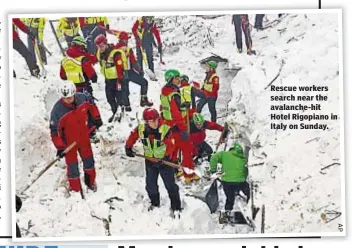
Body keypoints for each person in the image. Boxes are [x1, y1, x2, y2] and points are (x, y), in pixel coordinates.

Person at [125, 108, 182, 214]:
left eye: (156, 120)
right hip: (150, 161)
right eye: (152, 121)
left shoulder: (164, 129)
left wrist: (165, 157)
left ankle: (176, 207)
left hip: (164, 162)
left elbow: (171, 145)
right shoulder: (141, 128)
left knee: (170, 185)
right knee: (151, 184)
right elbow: (133, 135)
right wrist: (128, 146)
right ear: (146, 122)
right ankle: (155, 202)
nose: (155, 123)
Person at [50, 82, 103, 192]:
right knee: (72, 166)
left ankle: (90, 182)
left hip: (83, 136)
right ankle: (75, 189)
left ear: (74, 94)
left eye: (70, 97)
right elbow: (55, 132)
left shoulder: (83, 98)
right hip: (69, 143)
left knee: (89, 161)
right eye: (65, 98)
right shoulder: (57, 111)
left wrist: (96, 118)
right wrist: (60, 147)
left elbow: (92, 105)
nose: (68, 100)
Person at [160, 69, 198, 183]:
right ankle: (189, 174)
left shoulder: (165, 92)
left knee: (174, 149)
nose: (179, 80)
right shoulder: (174, 94)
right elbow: (176, 114)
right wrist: (183, 129)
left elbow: (168, 109)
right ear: (171, 79)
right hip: (178, 126)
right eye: (176, 78)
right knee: (187, 150)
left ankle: (175, 170)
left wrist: (182, 106)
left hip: (170, 125)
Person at [95, 34, 130, 121]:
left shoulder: (115, 53)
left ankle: (121, 114)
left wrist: (120, 80)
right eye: (98, 46)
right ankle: (115, 112)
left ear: (106, 44)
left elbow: (119, 67)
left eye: (102, 46)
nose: (100, 48)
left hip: (117, 79)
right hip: (108, 80)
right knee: (109, 98)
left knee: (119, 98)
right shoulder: (100, 53)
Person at [209, 142, 250, 215]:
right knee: (247, 190)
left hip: (227, 182)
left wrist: (213, 170)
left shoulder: (224, 154)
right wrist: (242, 178)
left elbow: (213, 158)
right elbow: (245, 172)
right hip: (240, 181)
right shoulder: (243, 159)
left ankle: (227, 213)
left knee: (230, 198)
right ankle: (250, 205)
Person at [114, 31, 153, 108]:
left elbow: (132, 61)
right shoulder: (122, 50)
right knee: (142, 83)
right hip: (125, 72)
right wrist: (139, 70)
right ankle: (141, 101)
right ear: (123, 40)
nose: (127, 41)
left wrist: (139, 70)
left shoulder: (117, 49)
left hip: (124, 73)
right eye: (126, 39)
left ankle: (128, 106)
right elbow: (133, 61)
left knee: (126, 91)